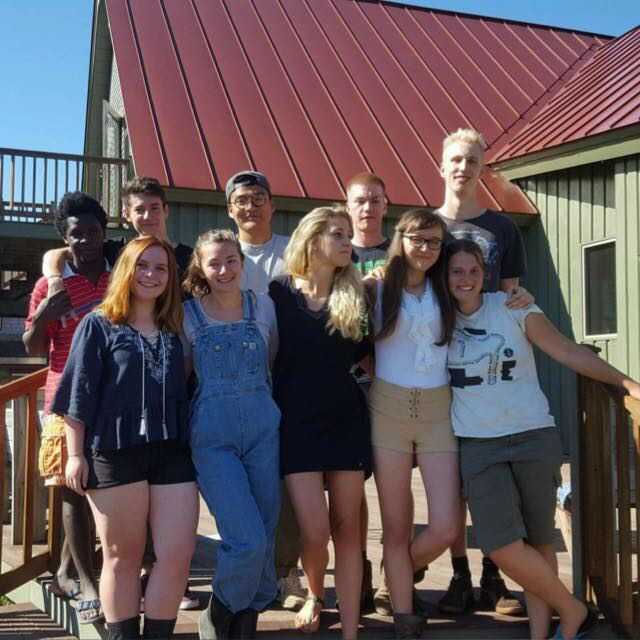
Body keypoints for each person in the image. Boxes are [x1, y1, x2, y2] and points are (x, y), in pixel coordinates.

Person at [444, 239, 640, 640]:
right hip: (479, 443)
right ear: (444, 276)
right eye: (457, 271)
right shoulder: (437, 319)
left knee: (538, 539)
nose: (466, 279)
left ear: (486, 275)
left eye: (474, 271)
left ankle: (547, 632)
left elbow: (565, 351)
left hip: (533, 434)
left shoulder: (514, 308)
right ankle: (573, 608)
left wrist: (626, 382)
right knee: (499, 543)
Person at [43, 176, 199, 610]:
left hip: (171, 450)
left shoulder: (175, 328)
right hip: (114, 449)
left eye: (161, 269)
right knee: (122, 557)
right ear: (126, 270)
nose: (151, 275)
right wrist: (76, 454)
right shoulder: (99, 324)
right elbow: (79, 395)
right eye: (142, 268)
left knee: (176, 554)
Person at [436, 128, 530, 615]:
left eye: (471, 160)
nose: (462, 167)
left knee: (492, 473)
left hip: (492, 366)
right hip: (438, 366)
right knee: (450, 477)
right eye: (455, 159)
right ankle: (457, 576)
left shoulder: (503, 229)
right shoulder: (425, 227)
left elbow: (512, 296)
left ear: (481, 168)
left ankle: (495, 577)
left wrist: (524, 301)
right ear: (441, 166)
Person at [269, 206, 371, 639]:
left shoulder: (358, 296)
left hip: (346, 421)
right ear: (312, 241)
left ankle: (350, 626)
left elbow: (370, 357)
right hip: (296, 425)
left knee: (347, 530)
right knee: (314, 531)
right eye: (338, 234)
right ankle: (315, 593)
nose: (349, 242)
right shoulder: (277, 295)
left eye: (349, 235)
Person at [181, 229, 280, 639]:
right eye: (214, 262)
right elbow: (183, 376)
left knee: (267, 532)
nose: (224, 269)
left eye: (231, 260)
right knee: (246, 538)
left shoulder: (264, 306)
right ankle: (219, 613)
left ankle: (245, 622)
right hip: (213, 436)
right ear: (201, 268)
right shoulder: (188, 314)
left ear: (242, 262)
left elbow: (271, 359)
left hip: (263, 429)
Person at [365, 209, 459, 639]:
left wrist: (519, 299)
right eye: (418, 239)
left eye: (435, 242)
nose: (426, 249)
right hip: (388, 407)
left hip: (439, 410)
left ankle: (397, 570)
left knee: (445, 525)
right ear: (400, 238)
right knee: (396, 523)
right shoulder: (377, 286)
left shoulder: (447, 288)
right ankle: (403, 611)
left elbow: (485, 299)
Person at [23, 192, 111, 624]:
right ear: (65, 238)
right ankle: (88, 584)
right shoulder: (50, 284)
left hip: (113, 398)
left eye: (92, 231)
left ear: (104, 231)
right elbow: (36, 347)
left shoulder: (121, 278)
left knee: (107, 483)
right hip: (63, 396)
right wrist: (42, 317)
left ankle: (65, 569)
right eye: (76, 234)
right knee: (72, 487)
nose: (85, 241)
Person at [226, 170, 305, 611]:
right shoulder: (222, 254)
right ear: (230, 210)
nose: (251, 206)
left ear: (272, 205)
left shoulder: (293, 251)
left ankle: (286, 570)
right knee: (241, 484)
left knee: (285, 482)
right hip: (235, 384)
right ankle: (249, 568)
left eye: (259, 198)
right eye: (242, 200)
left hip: (288, 381)